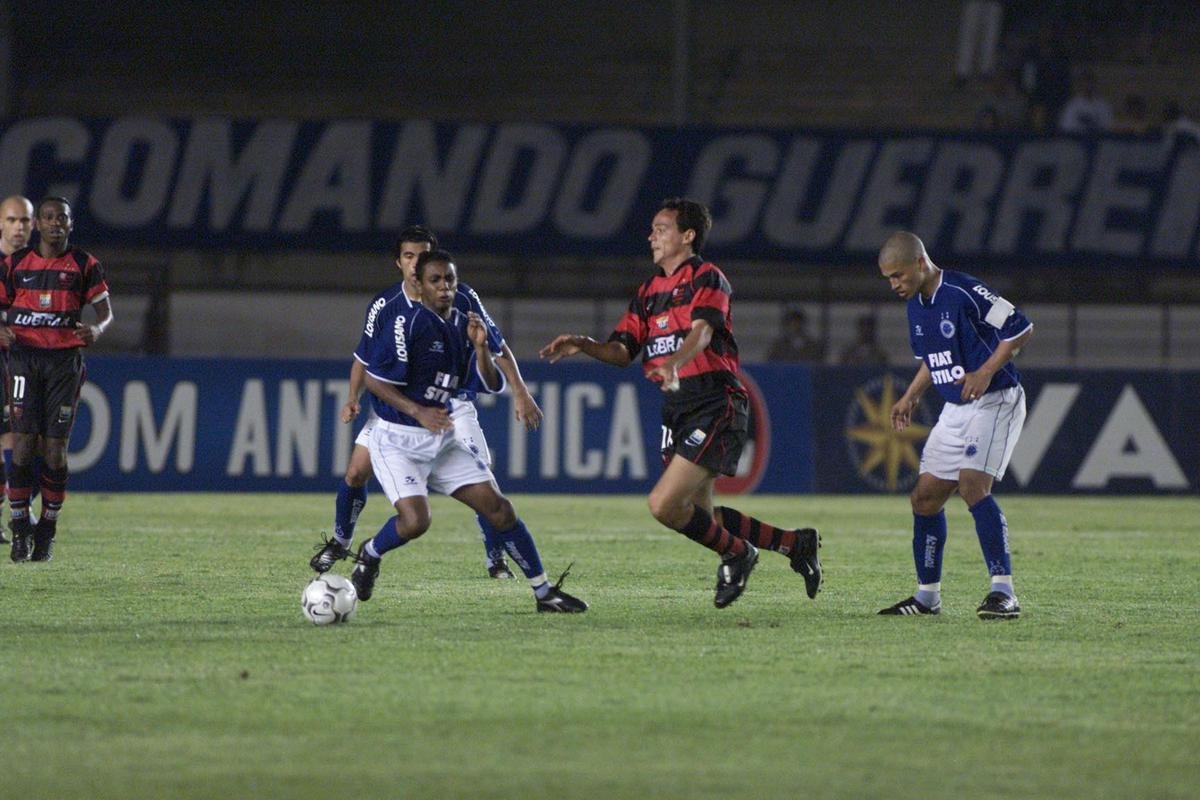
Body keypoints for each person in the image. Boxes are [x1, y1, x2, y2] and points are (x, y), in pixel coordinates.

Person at [539, 197, 821, 609]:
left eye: (661, 229)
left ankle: (739, 554)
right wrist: (584, 344)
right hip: (677, 411)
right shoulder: (648, 291)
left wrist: (674, 362)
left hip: (716, 402)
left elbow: (703, 331)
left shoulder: (708, 277)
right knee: (702, 518)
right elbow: (622, 351)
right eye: (652, 229)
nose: (651, 236)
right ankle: (796, 543)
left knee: (663, 504)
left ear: (688, 236)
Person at [348, 249, 585, 613]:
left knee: (500, 509)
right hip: (397, 439)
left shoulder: (465, 323)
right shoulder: (405, 324)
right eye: (435, 280)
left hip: (441, 439)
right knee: (416, 521)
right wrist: (418, 411)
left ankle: (544, 594)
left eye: (450, 279)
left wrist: (481, 348)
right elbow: (375, 380)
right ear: (419, 285)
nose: (444, 287)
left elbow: (490, 383)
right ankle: (370, 553)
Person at [310, 225, 543, 580]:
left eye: (423, 255)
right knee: (356, 472)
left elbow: (497, 347)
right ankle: (341, 542)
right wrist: (352, 397)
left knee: (484, 480)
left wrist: (521, 392)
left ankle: (495, 559)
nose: (416, 262)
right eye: (409, 256)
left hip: (453, 405)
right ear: (400, 263)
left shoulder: (461, 296)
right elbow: (365, 357)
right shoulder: (386, 305)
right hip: (398, 412)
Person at [876, 231, 1031, 620]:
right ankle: (927, 598)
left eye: (898, 275)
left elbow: (1020, 328)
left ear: (920, 262)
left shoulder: (964, 290)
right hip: (956, 408)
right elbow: (934, 360)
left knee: (972, 486)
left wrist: (985, 371)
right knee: (924, 499)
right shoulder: (916, 306)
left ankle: (1004, 592)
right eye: (889, 279)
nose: (894, 285)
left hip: (996, 398)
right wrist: (910, 396)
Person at [2, 197, 113, 562]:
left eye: (61, 218)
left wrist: (97, 328)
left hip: (64, 363)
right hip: (24, 359)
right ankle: (20, 528)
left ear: (70, 223)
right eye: (48, 217)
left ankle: (47, 529)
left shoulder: (84, 264)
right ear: (38, 225)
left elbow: (106, 313)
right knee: (22, 444)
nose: (54, 223)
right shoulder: (15, 264)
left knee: (55, 450)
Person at [0, 195, 34, 545]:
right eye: (12, 220)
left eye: (24, 220)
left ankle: (22, 504)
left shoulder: (39, 264)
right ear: (1, 223)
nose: (19, 227)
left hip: (30, 360)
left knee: (32, 438)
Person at [1058, 70, 1113, 134]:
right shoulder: (1072, 106)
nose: (1087, 86)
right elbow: (1066, 127)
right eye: (1084, 83)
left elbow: (1109, 125)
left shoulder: (1102, 105)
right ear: (1079, 85)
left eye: (1090, 83)